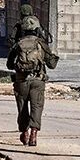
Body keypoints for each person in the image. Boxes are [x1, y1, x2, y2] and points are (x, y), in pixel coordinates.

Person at [6, 16, 58, 146]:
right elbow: (52, 64)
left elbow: (9, 65)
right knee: (37, 107)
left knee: (22, 107)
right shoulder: (41, 43)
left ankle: (24, 132)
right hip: (37, 81)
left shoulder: (18, 44)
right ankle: (34, 133)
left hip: (21, 81)